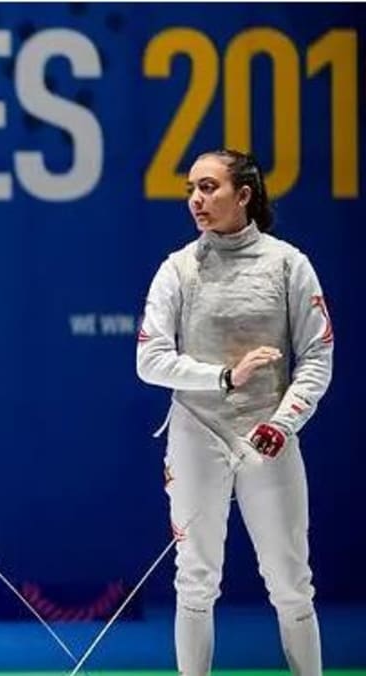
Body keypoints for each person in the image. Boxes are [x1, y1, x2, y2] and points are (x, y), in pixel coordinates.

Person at [136, 149, 333, 676]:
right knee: (195, 578)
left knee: (291, 582)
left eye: (208, 188)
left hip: (268, 433)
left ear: (243, 195)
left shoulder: (288, 264)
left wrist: (282, 423)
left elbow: (317, 355)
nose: (196, 200)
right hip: (197, 431)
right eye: (191, 190)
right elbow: (149, 360)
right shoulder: (178, 268)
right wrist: (223, 377)